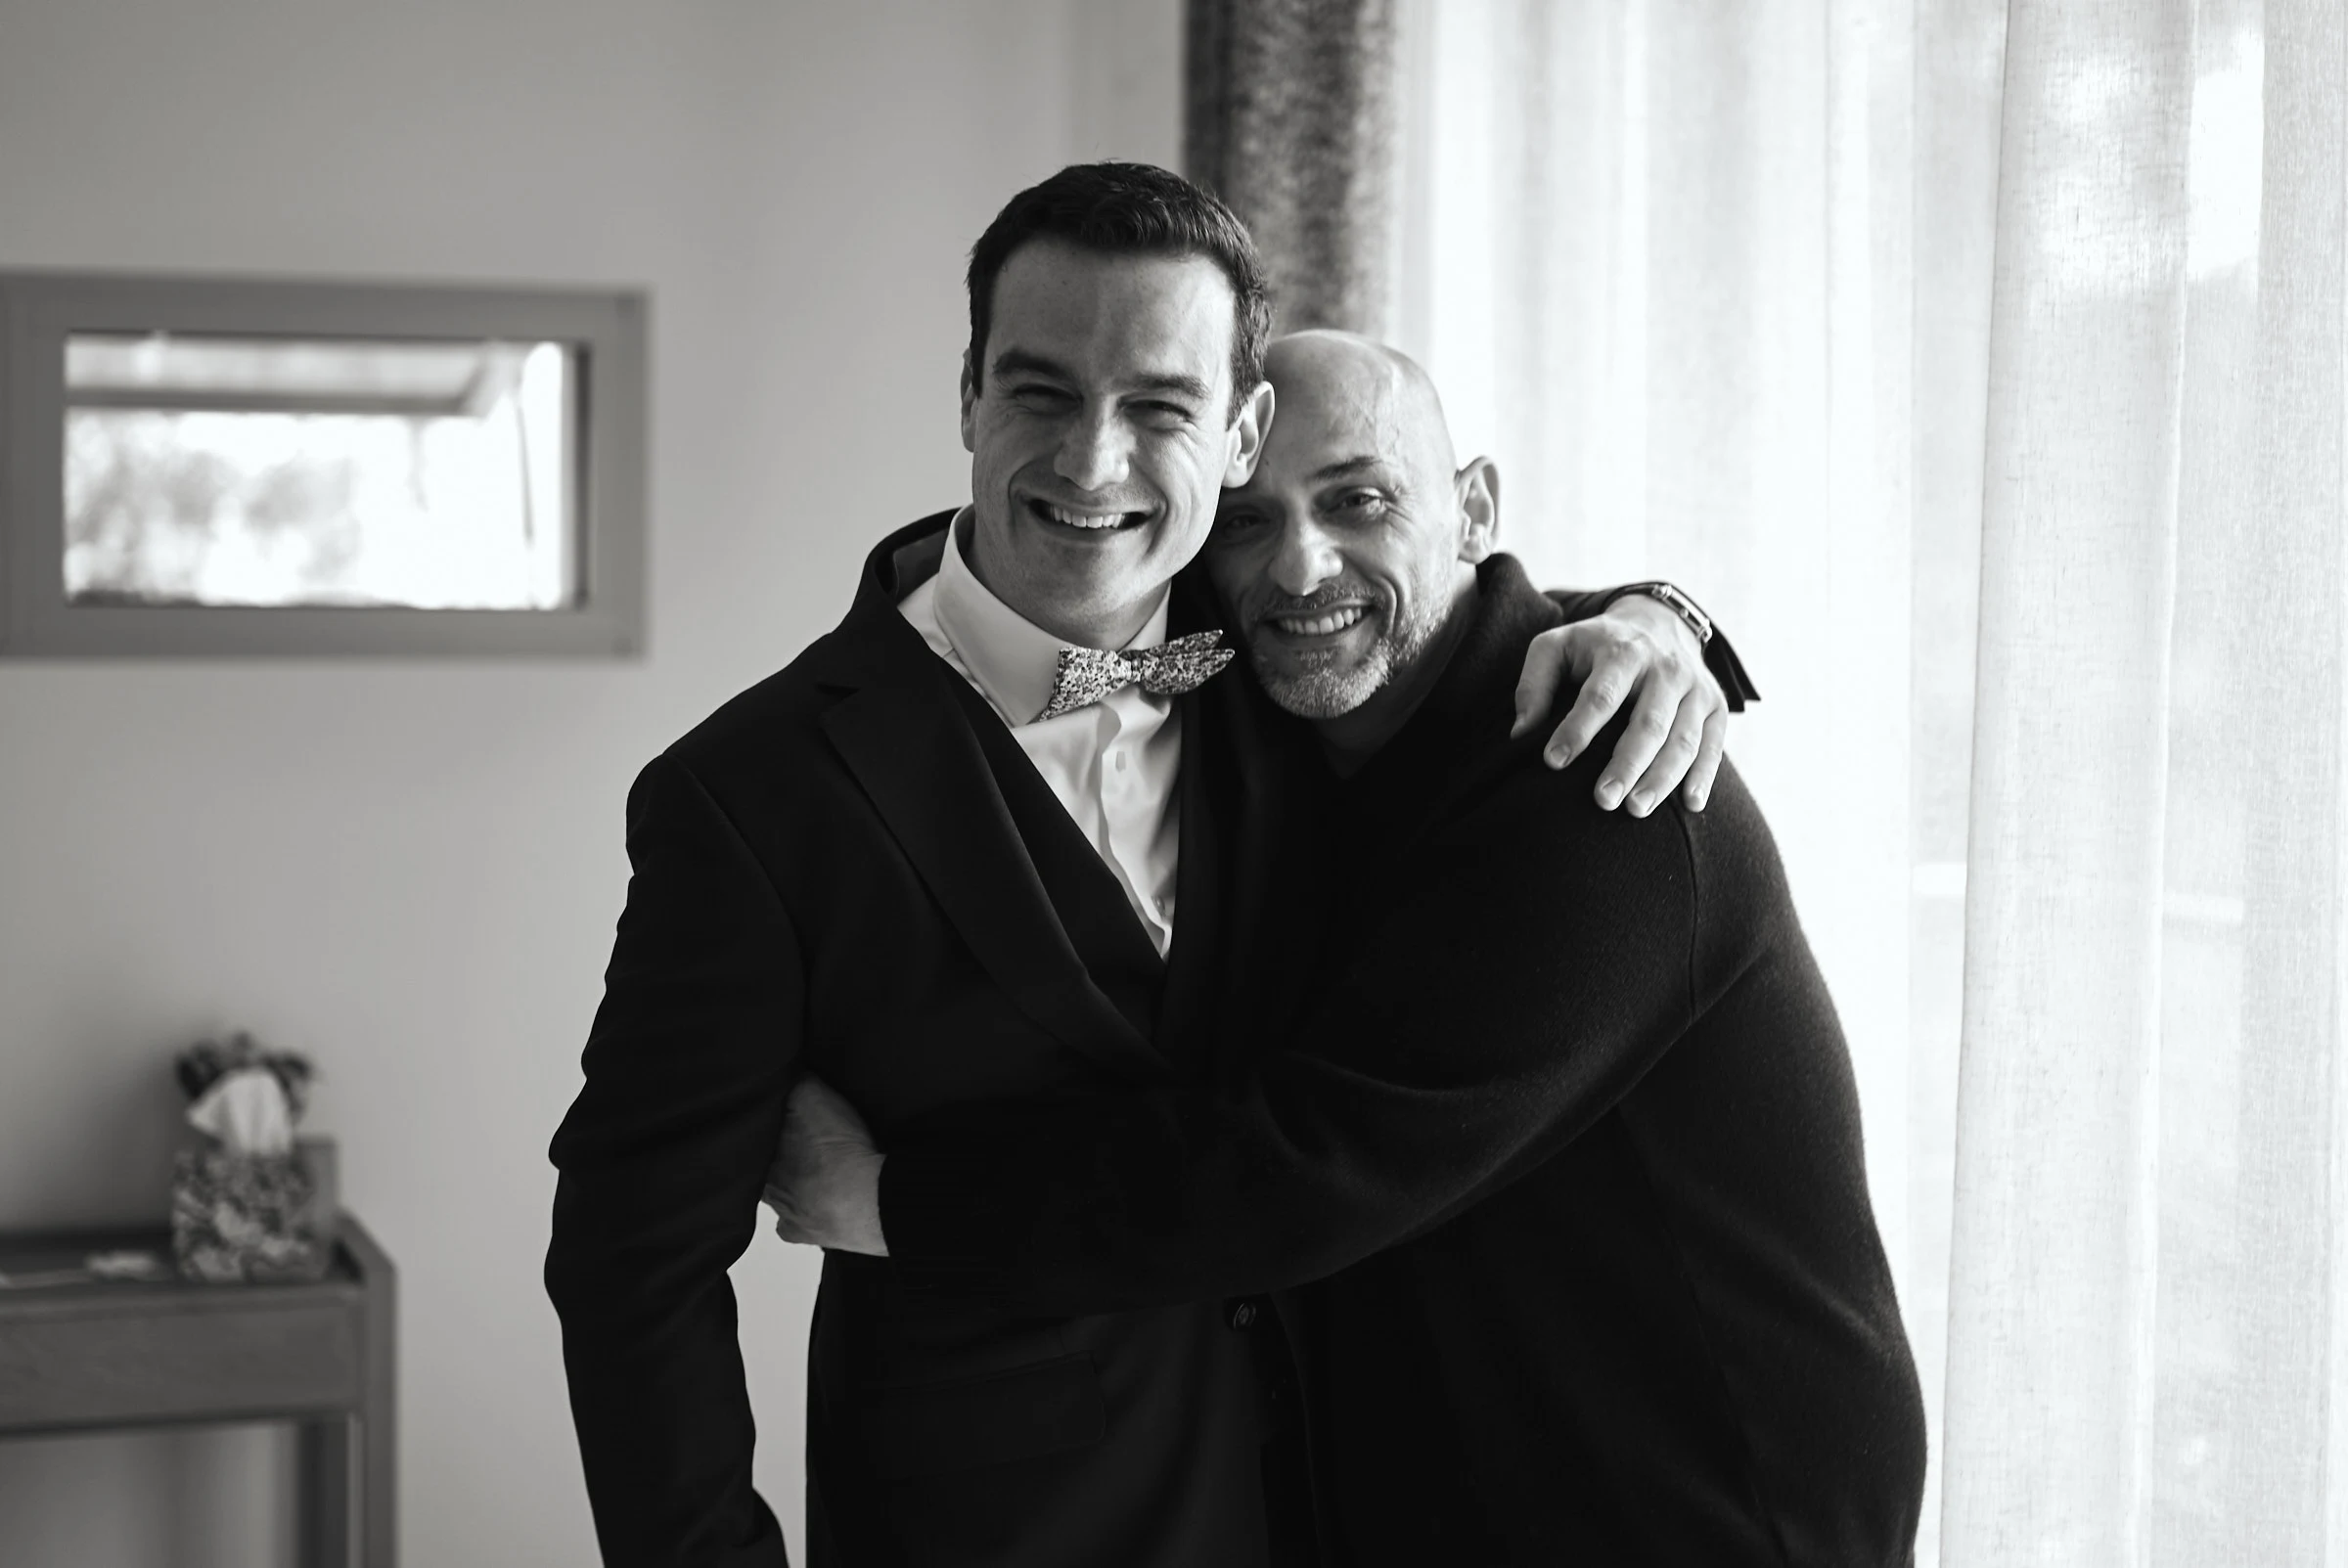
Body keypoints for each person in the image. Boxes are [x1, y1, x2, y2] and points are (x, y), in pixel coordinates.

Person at [544, 163, 1744, 1568]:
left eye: (1160, 406)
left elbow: (1428, 605)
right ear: (969, 399)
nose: (1093, 462)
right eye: (1041, 392)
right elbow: (633, 1260)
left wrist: (1658, 616)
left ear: (1240, 434)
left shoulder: (1282, 670)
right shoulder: (754, 794)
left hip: (1345, 1514)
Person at [768, 330, 1927, 1565]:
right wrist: (1652, 604)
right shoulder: (1270, 717)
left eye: (1360, 500)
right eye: (1246, 521)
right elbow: (1026, 633)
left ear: (1472, 510)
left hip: (1707, 1513)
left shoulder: (1603, 787)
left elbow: (1305, 1165)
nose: (1300, 564)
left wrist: (893, 1202)